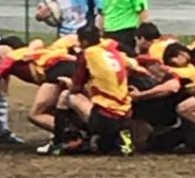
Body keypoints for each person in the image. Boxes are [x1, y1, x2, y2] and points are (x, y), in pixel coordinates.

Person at [53, 24, 134, 156]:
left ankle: (58, 141)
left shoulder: (87, 54)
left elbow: (75, 87)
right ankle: (118, 137)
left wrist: (68, 82)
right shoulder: (112, 52)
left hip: (106, 116)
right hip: (126, 112)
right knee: (102, 148)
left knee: (67, 96)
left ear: (84, 41)